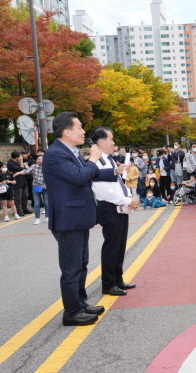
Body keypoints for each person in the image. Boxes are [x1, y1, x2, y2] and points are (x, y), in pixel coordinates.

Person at [43, 112, 120, 326]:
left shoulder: (70, 151)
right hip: (68, 219)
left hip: (77, 217)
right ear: (67, 132)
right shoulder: (56, 154)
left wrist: (114, 171)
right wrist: (94, 160)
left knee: (81, 264)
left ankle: (80, 303)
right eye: (79, 127)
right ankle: (71, 312)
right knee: (71, 268)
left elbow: (89, 173)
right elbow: (79, 177)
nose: (83, 131)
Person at [90, 126, 139, 297]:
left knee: (119, 246)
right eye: (111, 139)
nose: (113, 143)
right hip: (109, 208)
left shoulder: (109, 160)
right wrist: (127, 200)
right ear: (101, 141)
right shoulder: (96, 161)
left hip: (119, 207)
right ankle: (108, 284)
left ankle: (117, 279)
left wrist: (129, 198)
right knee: (111, 247)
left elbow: (117, 184)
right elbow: (104, 191)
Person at [13, 154, 49, 225]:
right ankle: (37, 219)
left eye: (40, 159)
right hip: (36, 187)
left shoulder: (47, 167)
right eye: (38, 159)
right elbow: (26, 171)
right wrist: (18, 173)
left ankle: (47, 217)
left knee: (47, 203)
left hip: (45, 187)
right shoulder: (33, 167)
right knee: (37, 203)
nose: (39, 160)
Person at [7, 151, 31, 216]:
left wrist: (21, 164)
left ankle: (25, 209)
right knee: (18, 197)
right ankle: (19, 211)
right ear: (17, 157)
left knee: (25, 196)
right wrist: (21, 161)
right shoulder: (10, 163)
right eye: (20, 156)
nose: (21, 157)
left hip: (23, 181)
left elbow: (23, 169)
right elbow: (22, 169)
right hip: (17, 182)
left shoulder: (17, 162)